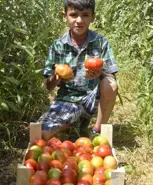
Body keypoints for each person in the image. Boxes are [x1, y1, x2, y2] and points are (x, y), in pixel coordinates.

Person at [38, 0, 118, 141]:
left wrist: (100, 74)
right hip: (67, 99)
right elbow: (48, 86)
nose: (79, 20)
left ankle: (97, 129)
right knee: (42, 133)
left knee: (110, 84)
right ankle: (75, 121)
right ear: (65, 16)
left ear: (93, 17)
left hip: (93, 97)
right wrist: (57, 77)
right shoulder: (58, 47)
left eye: (85, 15)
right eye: (74, 15)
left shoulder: (101, 43)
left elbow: (112, 76)